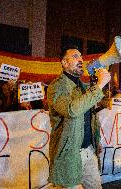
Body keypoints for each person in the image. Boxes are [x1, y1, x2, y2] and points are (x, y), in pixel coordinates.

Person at [47, 46, 111, 189]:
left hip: (89, 151)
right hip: (69, 155)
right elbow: (72, 110)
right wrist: (100, 84)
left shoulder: (83, 86)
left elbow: (91, 116)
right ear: (64, 62)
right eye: (75, 56)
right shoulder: (56, 87)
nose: (81, 59)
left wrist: (96, 140)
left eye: (81, 56)